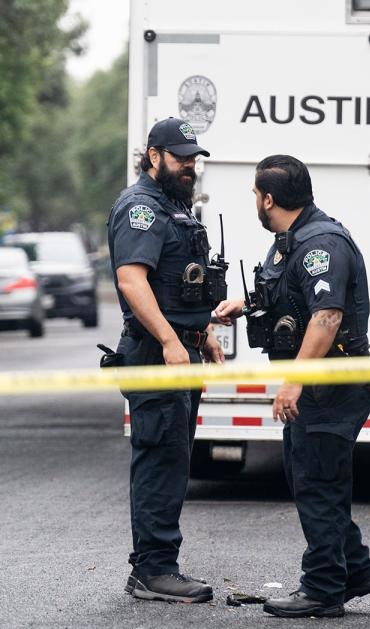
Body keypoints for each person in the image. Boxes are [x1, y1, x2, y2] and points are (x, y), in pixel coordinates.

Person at [215, 155, 370, 618]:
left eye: (255, 194)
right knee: (308, 476)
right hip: (319, 382)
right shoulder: (289, 242)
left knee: (318, 483)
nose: (255, 201)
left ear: (268, 198)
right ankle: (356, 569)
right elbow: (289, 295)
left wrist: (293, 382)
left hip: (328, 383)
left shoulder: (320, 244)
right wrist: (243, 304)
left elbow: (327, 318)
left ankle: (323, 588)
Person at [107, 117, 226, 603]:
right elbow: (132, 280)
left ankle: (158, 565)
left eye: (194, 158)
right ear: (154, 156)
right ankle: (152, 571)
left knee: (175, 458)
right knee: (160, 459)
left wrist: (202, 334)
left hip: (179, 348)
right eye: (180, 158)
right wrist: (171, 342)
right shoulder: (140, 208)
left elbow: (179, 283)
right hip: (157, 353)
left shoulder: (175, 205)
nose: (189, 166)